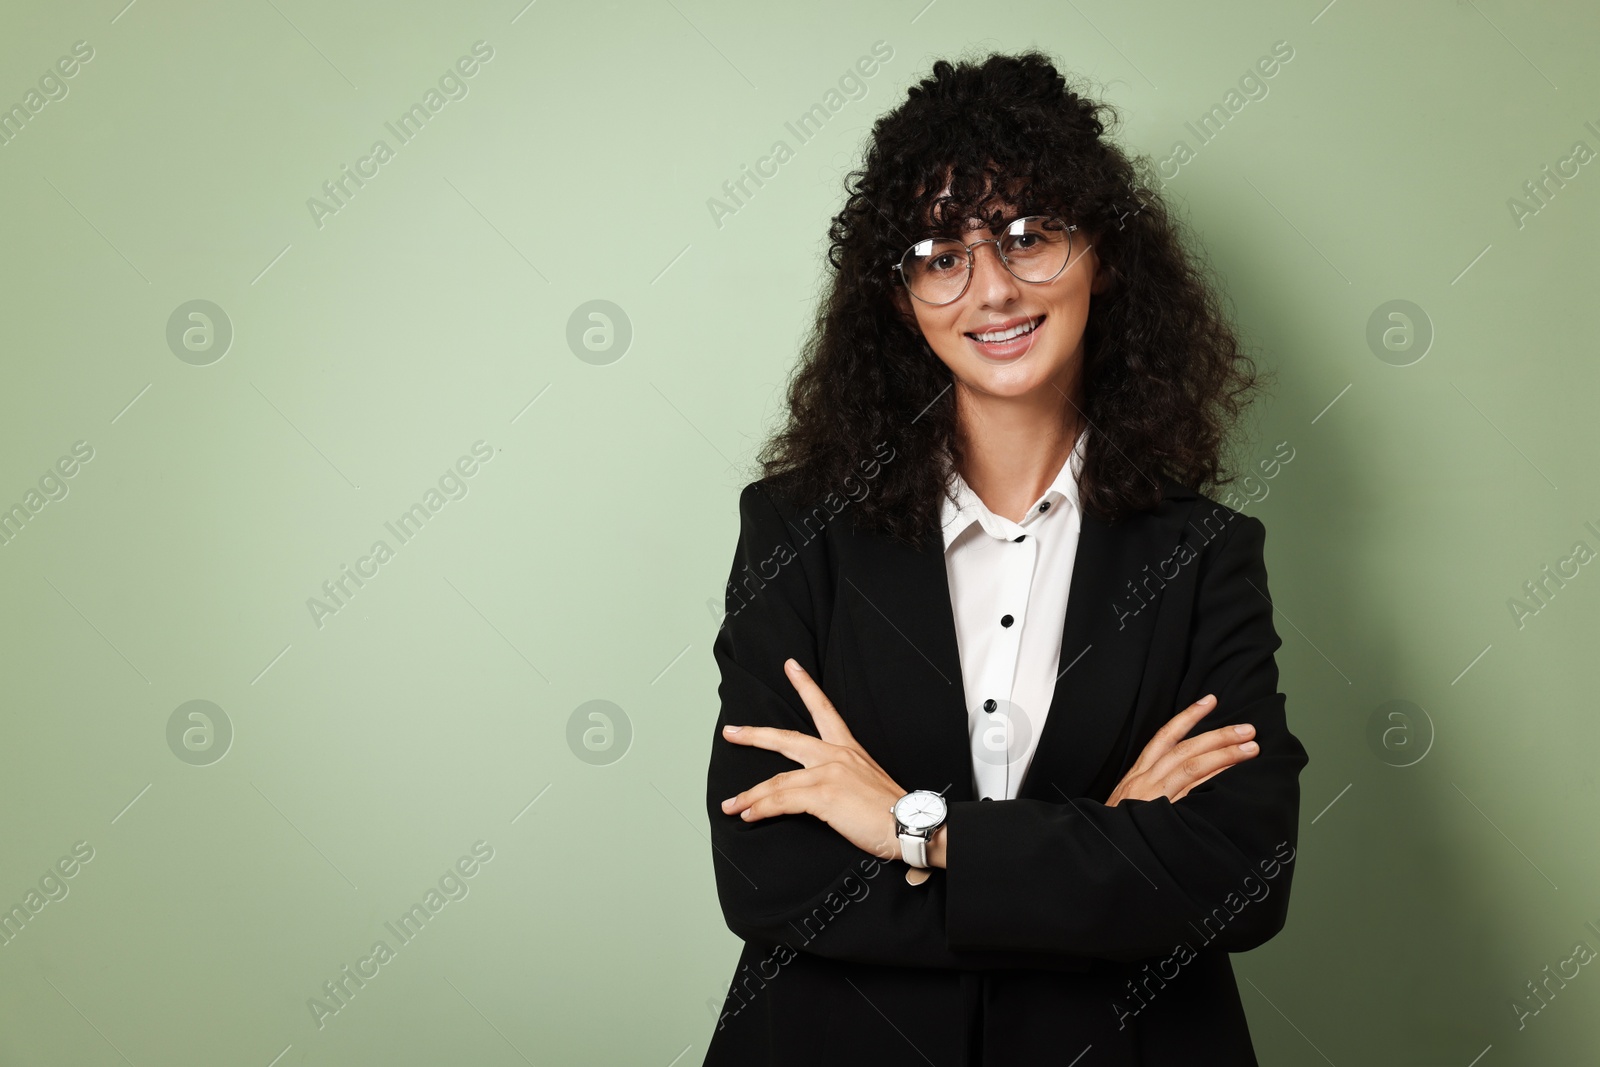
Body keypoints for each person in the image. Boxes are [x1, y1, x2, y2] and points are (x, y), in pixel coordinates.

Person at [702, 50, 1310, 1067]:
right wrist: (1104, 855)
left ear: (1100, 254)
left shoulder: (1203, 554)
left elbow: (1242, 871)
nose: (991, 288)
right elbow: (766, 873)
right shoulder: (796, 532)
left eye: (1028, 236)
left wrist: (913, 828)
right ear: (899, 296)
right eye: (941, 253)